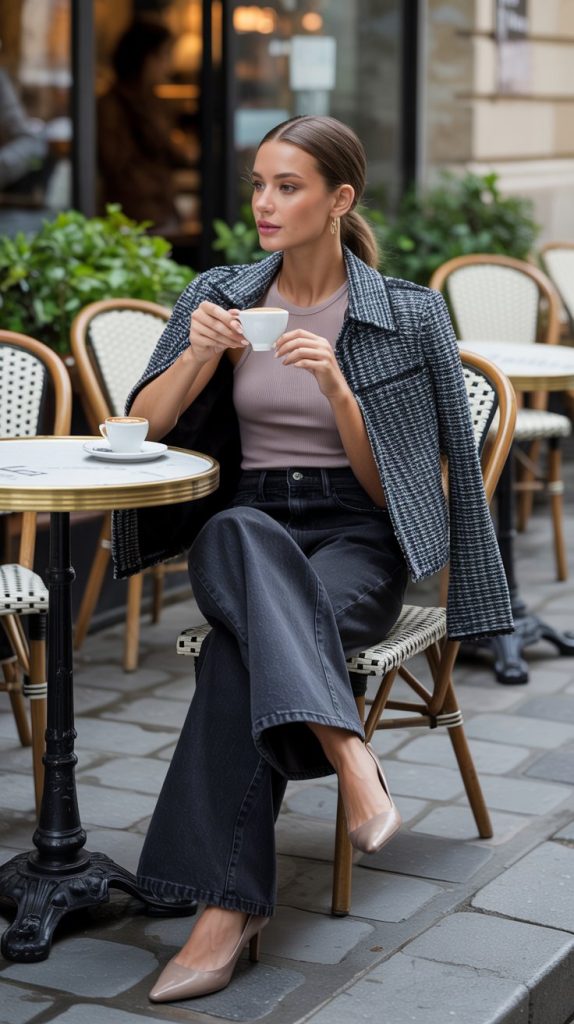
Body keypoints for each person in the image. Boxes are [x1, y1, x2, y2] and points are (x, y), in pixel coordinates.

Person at [112, 115, 512, 1003]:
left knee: (237, 649)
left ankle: (224, 913)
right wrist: (202, 355)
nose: (263, 202)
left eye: (286, 187)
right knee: (238, 532)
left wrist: (337, 388)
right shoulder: (219, 292)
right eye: (258, 183)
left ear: (339, 200)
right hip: (249, 523)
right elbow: (144, 420)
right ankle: (349, 751)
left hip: (356, 537)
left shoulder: (407, 313)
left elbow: (393, 488)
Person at [97, 21, 195, 232]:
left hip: (157, 214)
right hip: (132, 219)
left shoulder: (151, 102)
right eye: (163, 56)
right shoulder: (113, 106)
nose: (168, 65)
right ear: (145, 59)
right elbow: (115, 164)